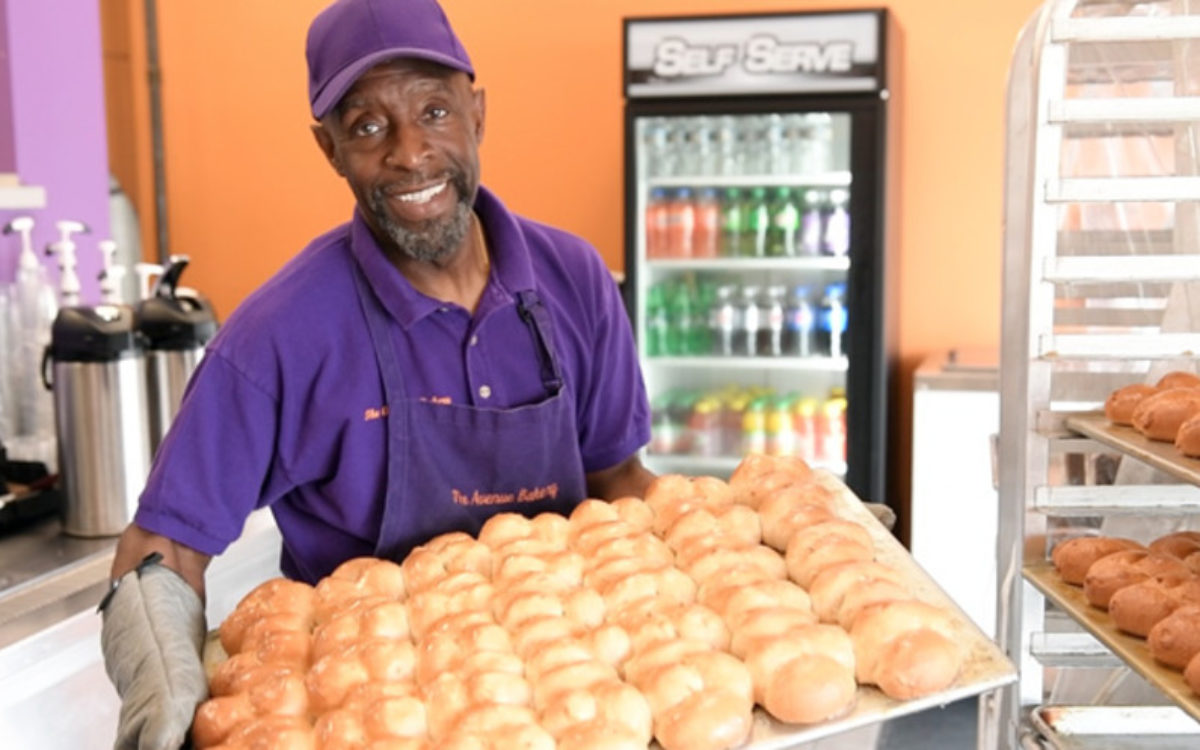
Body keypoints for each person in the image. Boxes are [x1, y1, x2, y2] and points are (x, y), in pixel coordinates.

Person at [98, 0, 654, 747]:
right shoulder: (282, 333)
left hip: (567, 700)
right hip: (368, 711)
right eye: (367, 127)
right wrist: (161, 691)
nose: (409, 152)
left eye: (433, 110)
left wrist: (748, 554)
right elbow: (163, 547)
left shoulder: (573, 279)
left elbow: (620, 481)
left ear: (477, 113)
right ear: (328, 148)